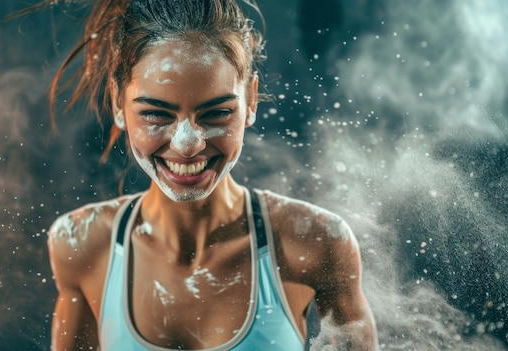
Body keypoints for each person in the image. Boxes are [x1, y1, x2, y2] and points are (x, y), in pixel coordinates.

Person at [42, 0, 378, 349]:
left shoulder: (313, 243)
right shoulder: (81, 245)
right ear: (117, 102)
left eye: (216, 113)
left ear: (251, 100)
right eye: (156, 114)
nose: (187, 144)